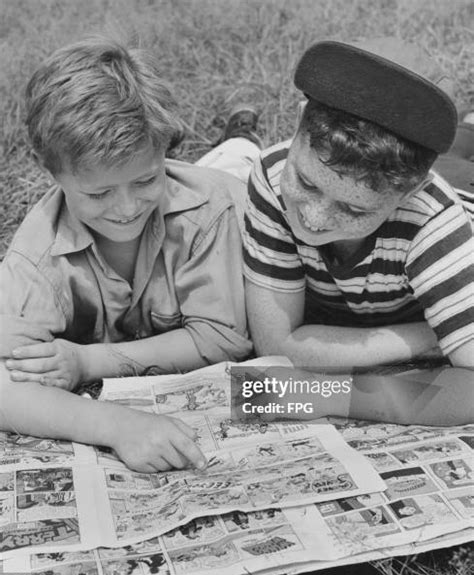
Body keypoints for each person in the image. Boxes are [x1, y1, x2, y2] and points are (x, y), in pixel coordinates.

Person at [0, 34, 253, 472]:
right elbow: (5, 385)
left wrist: (84, 360)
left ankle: (244, 138)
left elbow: (222, 339)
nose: (126, 209)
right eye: (98, 193)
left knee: (243, 162)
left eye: (144, 181)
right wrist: (116, 426)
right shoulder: (35, 256)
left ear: (163, 152)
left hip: (230, 181)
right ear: (51, 171)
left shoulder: (212, 209)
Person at [242, 38, 474, 425]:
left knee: (460, 165)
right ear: (299, 121)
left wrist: (329, 396)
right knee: (456, 150)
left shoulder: (436, 224)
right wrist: (431, 335)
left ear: (410, 191)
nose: (314, 219)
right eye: (307, 182)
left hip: (464, 194)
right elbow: (276, 347)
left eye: (354, 209)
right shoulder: (270, 174)